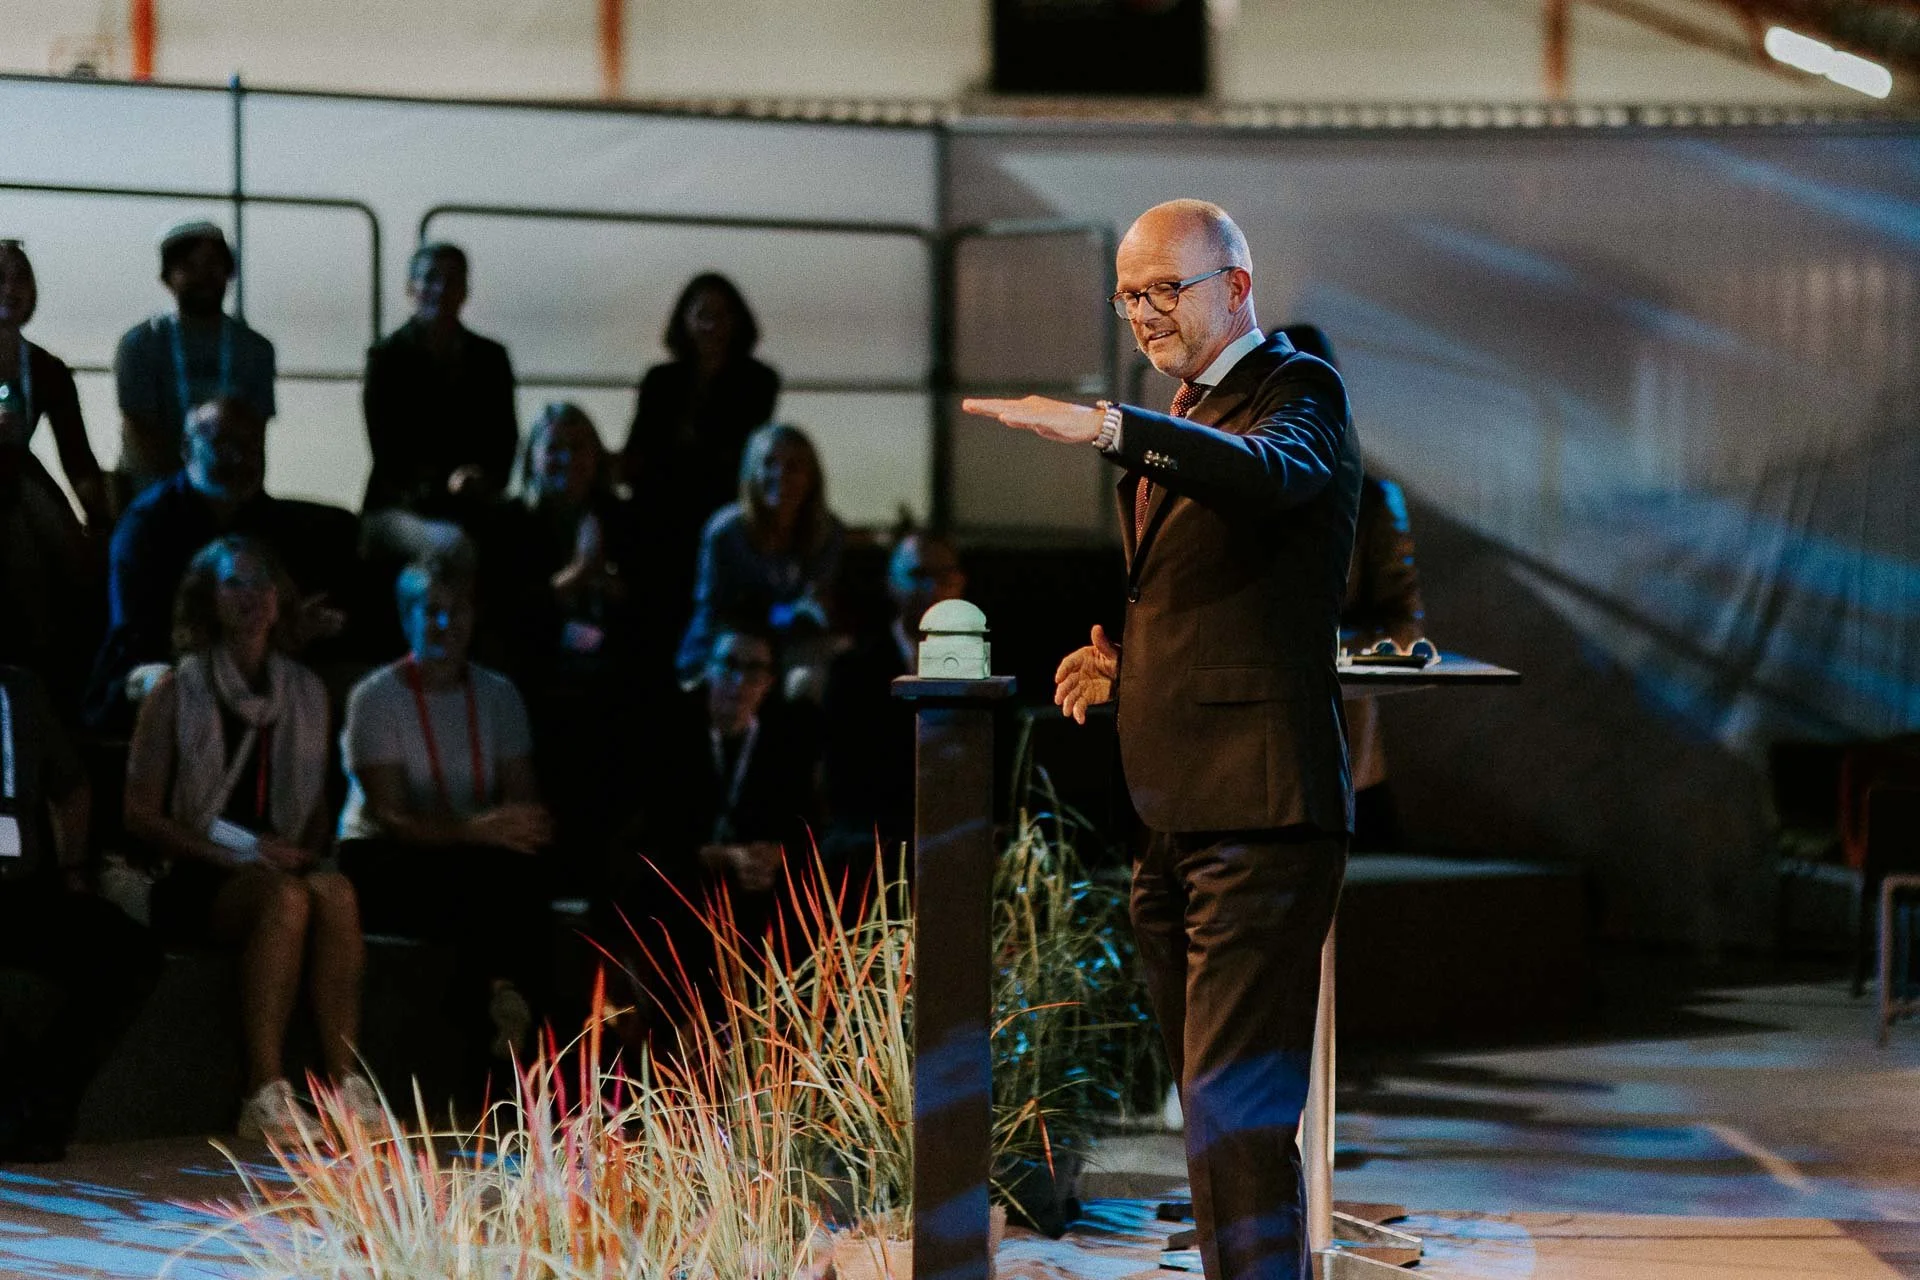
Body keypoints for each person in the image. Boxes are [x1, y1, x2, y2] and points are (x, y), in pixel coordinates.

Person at [962, 199, 1361, 1280]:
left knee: (1235, 1111)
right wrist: (1131, 666)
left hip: (1262, 812)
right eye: (1127, 294)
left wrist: (1105, 426)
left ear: (1236, 286)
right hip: (1175, 809)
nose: (1143, 313)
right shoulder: (1193, 412)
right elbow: (1225, 601)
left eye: (1162, 290)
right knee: (1216, 1117)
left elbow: (1266, 475)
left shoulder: (1297, 389)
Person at [122, 536, 373, 1143]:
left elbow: (316, 811)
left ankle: (346, 1086)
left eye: (262, 582)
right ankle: (263, 1091)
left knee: (336, 891)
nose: (252, 595)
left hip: (277, 863)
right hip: (197, 872)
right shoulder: (176, 689)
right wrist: (241, 855)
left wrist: (298, 850)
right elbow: (140, 815)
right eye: (234, 582)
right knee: (284, 898)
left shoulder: (306, 692)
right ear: (207, 598)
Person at [336, 557, 553, 1075]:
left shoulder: (499, 694)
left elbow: (523, 806)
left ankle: (523, 1022)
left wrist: (508, 829)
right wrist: (476, 830)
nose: (445, 623)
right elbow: (393, 817)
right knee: (474, 880)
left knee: (521, 871)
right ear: (406, 616)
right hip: (384, 852)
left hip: (472, 851)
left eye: (458, 611)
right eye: (431, 610)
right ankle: (499, 1004)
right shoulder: (374, 698)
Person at [85, 397, 360, 730]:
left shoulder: (277, 524)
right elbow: (138, 637)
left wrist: (297, 628)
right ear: (187, 448)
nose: (241, 458)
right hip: (161, 668)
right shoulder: (147, 526)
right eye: (225, 445)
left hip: (261, 668)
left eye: (252, 446)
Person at [605, 628, 820, 1052]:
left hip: (756, 895)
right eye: (729, 666)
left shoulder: (785, 745)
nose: (738, 682)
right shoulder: (670, 735)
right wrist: (721, 857)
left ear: (769, 682)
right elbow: (647, 835)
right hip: (681, 885)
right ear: (709, 670)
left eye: (753, 670)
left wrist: (777, 856)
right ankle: (676, 1043)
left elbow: (806, 830)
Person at [477, 403, 656, 892]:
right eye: (554, 448)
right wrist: (573, 578)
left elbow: (654, 606)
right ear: (532, 456)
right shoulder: (508, 521)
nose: (567, 459)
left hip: (610, 669)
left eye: (579, 447)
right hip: (534, 668)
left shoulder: (624, 519)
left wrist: (616, 591)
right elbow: (501, 610)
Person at [0, 664, 160, 1162]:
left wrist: (72, 870)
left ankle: (44, 1101)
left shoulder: (19, 687)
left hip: (21, 889)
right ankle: (18, 1104)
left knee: (130, 952)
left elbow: (72, 786)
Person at [1281, 325, 1427, 852]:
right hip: (1255, 761)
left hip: (1342, 759)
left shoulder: (1371, 502)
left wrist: (1313, 646)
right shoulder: (1239, 493)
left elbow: (1406, 630)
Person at [622, 274, 781, 640]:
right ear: (685, 321)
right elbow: (640, 450)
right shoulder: (661, 380)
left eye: (721, 315)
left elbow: (741, 456)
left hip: (724, 510)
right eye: (702, 315)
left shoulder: (757, 381)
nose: (712, 325)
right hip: (662, 515)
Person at [0, 241, 109, 711]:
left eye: (21, 278)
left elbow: (77, 458)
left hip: (21, 479)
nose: (11, 289)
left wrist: (101, 521)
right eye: (0, 278)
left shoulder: (47, 369)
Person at [820, 531, 966, 861]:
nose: (932, 588)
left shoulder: (987, 667)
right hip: (881, 835)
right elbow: (844, 779)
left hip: (963, 824)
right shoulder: (853, 670)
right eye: (918, 575)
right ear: (891, 583)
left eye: (943, 574)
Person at [675, 423, 845, 697]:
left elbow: (814, 609)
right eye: (769, 463)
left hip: (789, 646)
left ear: (811, 477)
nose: (780, 475)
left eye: (793, 467)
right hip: (724, 642)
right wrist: (784, 614)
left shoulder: (828, 532)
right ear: (751, 471)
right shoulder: (725, 532)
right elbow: (717, 610)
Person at [113, 221, 275, 502]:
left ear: (229, 272)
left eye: (213, 264)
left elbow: (255, 437)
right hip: (154, 494)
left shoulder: (254, 349)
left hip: (232, 494)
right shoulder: (140, 345)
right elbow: (139, 435)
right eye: (188, 266)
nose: (203, 276)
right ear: (167, 278)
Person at [361, 242, 519, 519]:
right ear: (411, 288)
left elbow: (505, 437)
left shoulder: (491, 358)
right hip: (402, 502)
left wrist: (483, 477)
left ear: (465, 291)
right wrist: (446, 483)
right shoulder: (386, 358)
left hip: (475, 498)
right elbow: (387, 449)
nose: (441, 289)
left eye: (452, 280)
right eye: (431, 278)